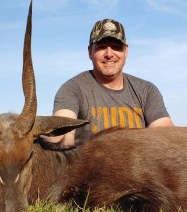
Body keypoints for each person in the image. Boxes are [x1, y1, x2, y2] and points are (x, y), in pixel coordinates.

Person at [48, 18, 174, 147]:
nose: (109, 54)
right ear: (90, 52)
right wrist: (56, 139)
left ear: (126, 51)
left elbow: (167, 137)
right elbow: (61, 136)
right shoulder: (72, 89)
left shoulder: (146, 90)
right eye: (101, 47)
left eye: (116, 47)